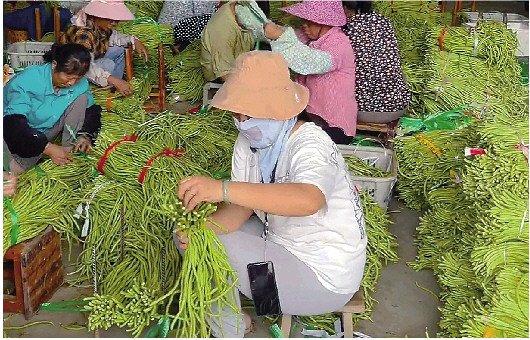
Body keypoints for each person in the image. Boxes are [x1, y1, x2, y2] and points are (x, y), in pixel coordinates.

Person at [175, 51, 367, 337]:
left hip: (323, 277)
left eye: (248, 112)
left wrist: (221, 188)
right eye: (237, 113)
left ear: (276, 107)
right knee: (196, 238)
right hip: (282, 245)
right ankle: (247, 312)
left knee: (209, 248)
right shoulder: (248, 144)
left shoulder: (311, 143)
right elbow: (240, 210)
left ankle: (232, 328)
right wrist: (198, 229)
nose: (241, 121)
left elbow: (309, 200)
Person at [236, 0, 357, 144]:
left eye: (308, 22)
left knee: (285, 140)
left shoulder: (339, 44)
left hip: (334, 125)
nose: (304, 26)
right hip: (310, 116)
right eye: (303, 21)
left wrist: (279, 37)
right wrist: (247, 13)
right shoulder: (309, 36)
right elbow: (280, 35)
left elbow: (309, 61)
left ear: (324, 22)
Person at [3, 43, 102, 175]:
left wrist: (85, 135)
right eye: (68, 76)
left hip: (44, 130)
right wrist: (47, 148)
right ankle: (42, 152)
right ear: (54, 65)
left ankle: (68, 148)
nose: (72, 83)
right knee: (15, 171)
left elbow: (91, 111)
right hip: (12, 132)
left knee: (82, 98)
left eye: (77, 78)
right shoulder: (28, 81)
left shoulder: (80, 84)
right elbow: (13, 125)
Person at [60, 0, 149, 96]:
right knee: (108, 64)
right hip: (74, 68)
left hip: (90, 58)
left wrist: (134, 40)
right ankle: (105, 89)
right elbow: (84, 66)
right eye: (110, 19)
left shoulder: (100, 25)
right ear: (97, 16)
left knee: (119, 48)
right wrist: (112, 79)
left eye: (116, 19)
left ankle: (114, 88)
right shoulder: (83, 35)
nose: (114, 23)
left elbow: (115, 37)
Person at [342, 1, 411, 122]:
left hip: (360, 111)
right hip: (396, 107)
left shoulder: (346, 28)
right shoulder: (384, 22)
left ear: (345, 8)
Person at [200, 1, 254, 82]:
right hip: (220, 76)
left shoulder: (241, 12)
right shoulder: (221, 28)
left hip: (241, 63)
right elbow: (225, 75)